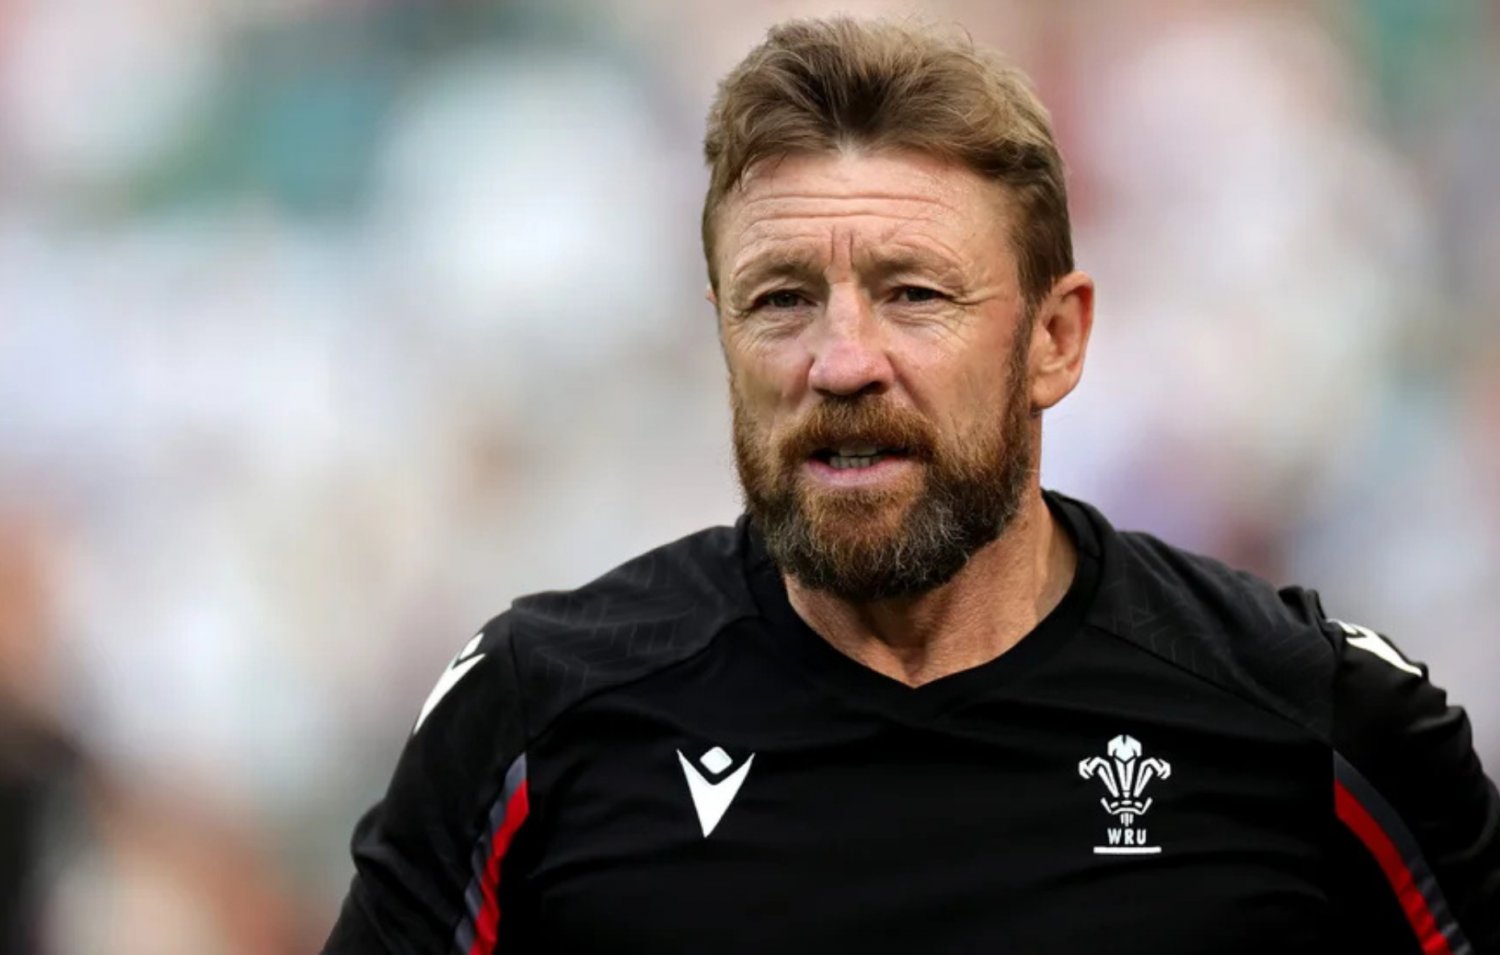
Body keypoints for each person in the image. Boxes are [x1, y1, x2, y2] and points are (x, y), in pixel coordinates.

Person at [323, 16, 1500, 954]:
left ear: (1055, 340)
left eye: (915, 295)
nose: (842, 362)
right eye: (782, 299)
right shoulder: (536, 719)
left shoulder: (1315, 719)